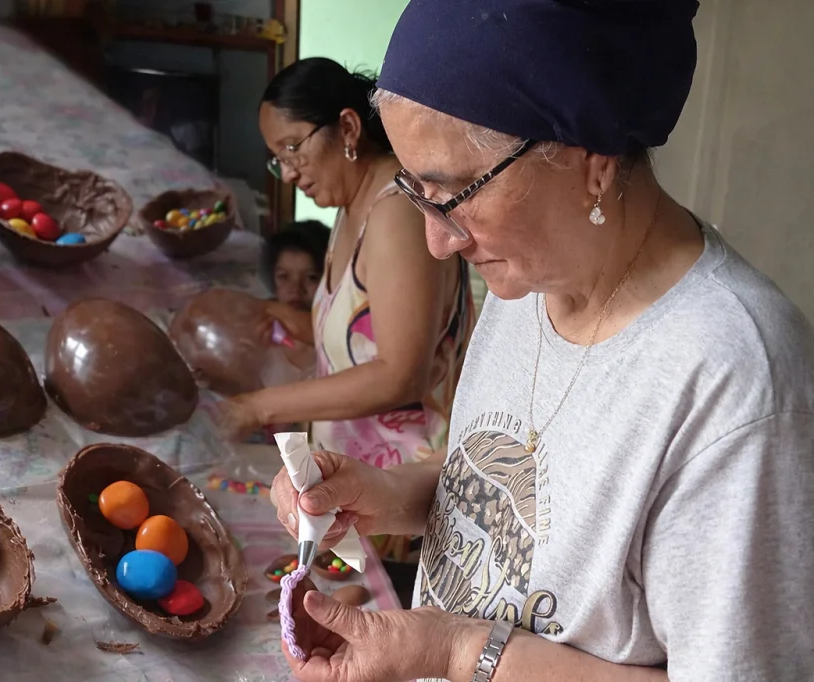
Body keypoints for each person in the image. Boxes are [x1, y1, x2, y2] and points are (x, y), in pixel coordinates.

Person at [270, 2, 814, 682]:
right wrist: (386, 492)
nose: (438, 241)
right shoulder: (531, 278)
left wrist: (459, 651)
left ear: (594, 160)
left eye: (453, 193)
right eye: (415, 192)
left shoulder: (734, 378)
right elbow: (527, 490)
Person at [221, 56, 476, 566]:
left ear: (347, 127)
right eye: (278, 158)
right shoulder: (349, 208)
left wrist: (259, 406)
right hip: (360, 481)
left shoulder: (397, 213)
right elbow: (357, 338)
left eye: (293, 148)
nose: (289, 172)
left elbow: (401, 375)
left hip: (408, 490)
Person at [264, 219, 331, 311]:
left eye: (311, 277)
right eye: (284, 276)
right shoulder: (263, 321)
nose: (296, 289)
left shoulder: (339, 322)